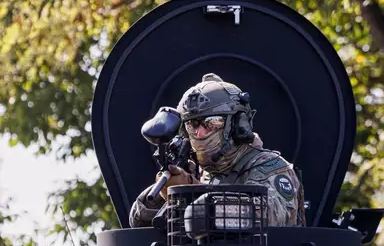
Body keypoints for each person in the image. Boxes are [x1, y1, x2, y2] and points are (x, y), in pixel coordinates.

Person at [129, 73, 306, 228]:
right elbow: (138, 221)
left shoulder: (270, 166)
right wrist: (167, 191)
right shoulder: (198, 173)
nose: (199, 133)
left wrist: (191, 190)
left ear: (237, 125)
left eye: (210, 123)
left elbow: (265, 217)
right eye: (192, 125)